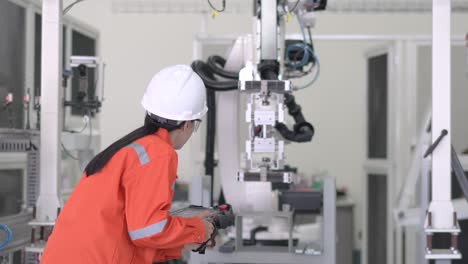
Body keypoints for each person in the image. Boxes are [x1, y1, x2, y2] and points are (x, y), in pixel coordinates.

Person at [41, 65, 214, 263]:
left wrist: (181, 244)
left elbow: (130, 236)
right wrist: (198, 229)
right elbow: (147, 230)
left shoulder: (133, 147)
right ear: (187, 124)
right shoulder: (159, 153)